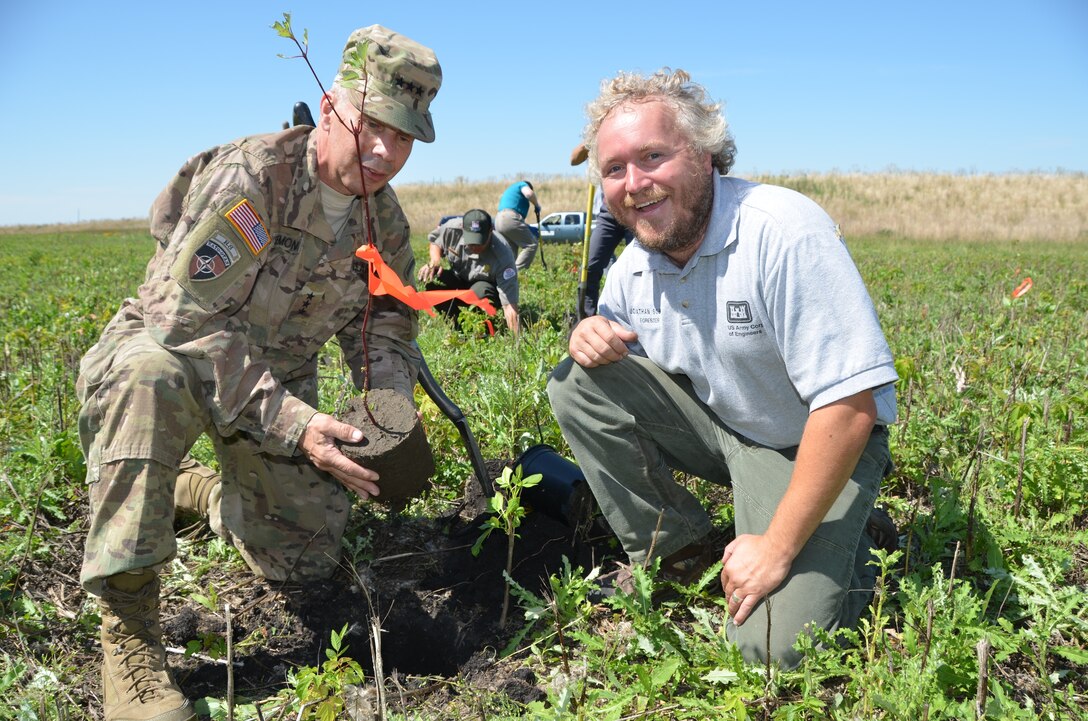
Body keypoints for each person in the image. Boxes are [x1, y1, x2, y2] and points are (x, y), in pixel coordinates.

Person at [76, 25, 441, 721]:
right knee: (145, 380)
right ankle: (128, 639)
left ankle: (207, 494)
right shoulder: (255, 179)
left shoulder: (384, 224)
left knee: (302, 560)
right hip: (174, 353)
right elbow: (182, 320)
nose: (383, 152)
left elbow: (388, 326)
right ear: (332, 103)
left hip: (277, 380)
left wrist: (389, 408)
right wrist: (298, 424)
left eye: (403, 138)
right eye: (372, 125)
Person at [546, 68, 899, 670]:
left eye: (653, 156)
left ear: (705, 156)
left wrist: (778, 548)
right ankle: (682, 550)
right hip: (727, 429)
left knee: (768, 649)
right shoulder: (634, 266)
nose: (635, 183)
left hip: (818, 440)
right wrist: (589, 334)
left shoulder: (782, 231)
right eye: (614, 169)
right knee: (577, 382)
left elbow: (850, 407)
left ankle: (858, 547)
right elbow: (616, 376)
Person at [418, 208, 521, 335]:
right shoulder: (451, 229)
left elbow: (509, 305)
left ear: (491, 231)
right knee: (433, 283)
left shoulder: (503, 254)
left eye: (479, 242)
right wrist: (435, 261)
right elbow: (435, 241)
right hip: (459, 278)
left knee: (480, 291)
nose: (474, 247)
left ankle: (485, 331)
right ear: (462, 229)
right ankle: (459, 329)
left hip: (484, 288)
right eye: (471, 241)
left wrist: (516, 339)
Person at [570, 143, 634, 318]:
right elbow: (573, 160)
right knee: (590, 266)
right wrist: (590, 143)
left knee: (638, 266)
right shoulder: (601, 136)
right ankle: (585, 319)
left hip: (635, 207)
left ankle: (635, 319)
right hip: (608, 212)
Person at [494, 179, 542, 270]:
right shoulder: (522, 184)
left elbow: (512, 220)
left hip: (499, 220)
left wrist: (528, 227)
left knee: (511, 251)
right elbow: (529, 194)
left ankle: (505, 276)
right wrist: (536, 205)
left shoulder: (511, 191)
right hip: (508, 218)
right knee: (531, 244)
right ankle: (516, 274)